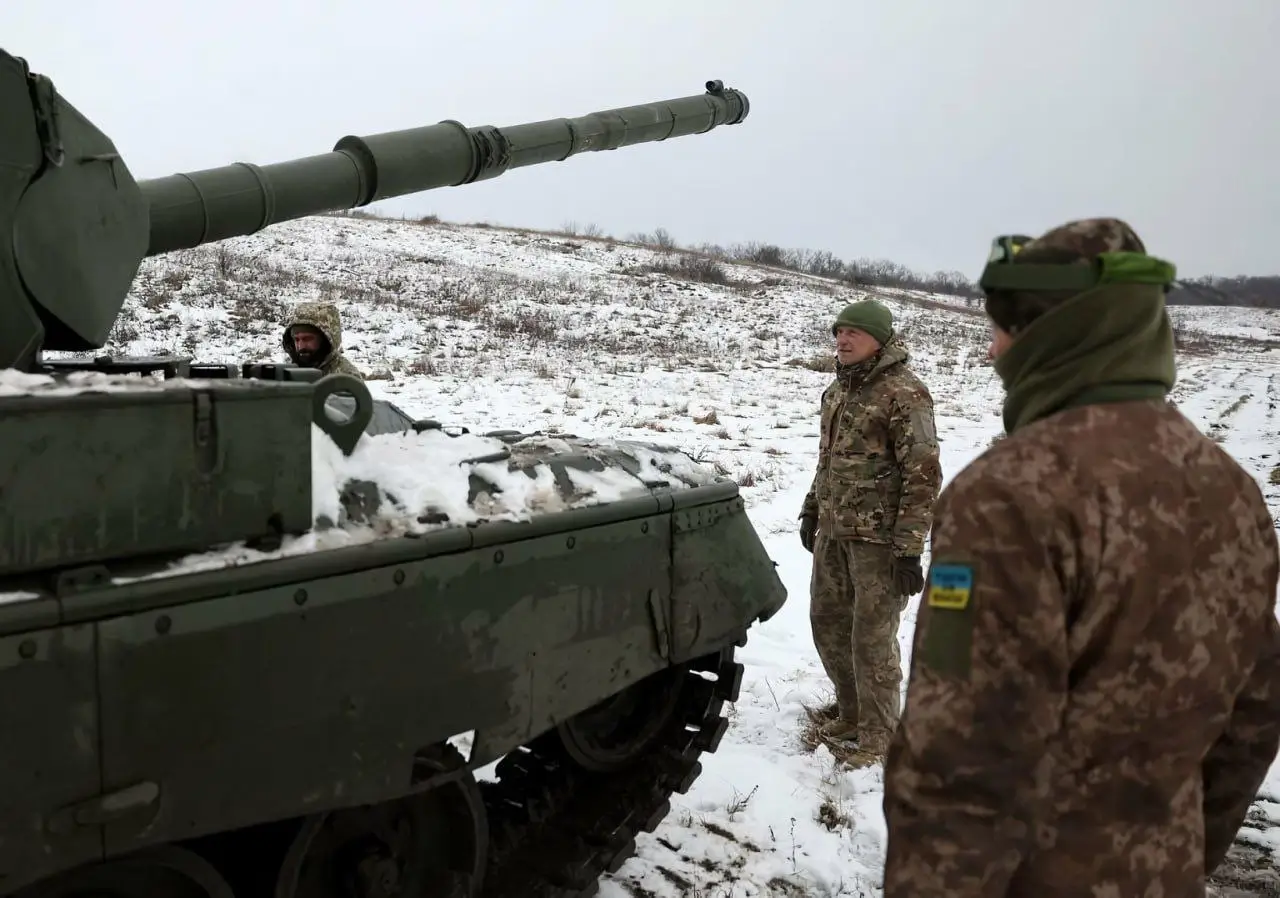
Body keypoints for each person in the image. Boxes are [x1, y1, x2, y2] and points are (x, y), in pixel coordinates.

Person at [882, 218, 1280, 897]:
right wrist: (1170, 855)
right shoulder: (1229, 488)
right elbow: (1255, 712)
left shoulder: (1008, 495)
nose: (992, 350)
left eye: (1005, 327)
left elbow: (962, 762)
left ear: (1054, 335)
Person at [797, 298, 943, 766]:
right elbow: (828, 461)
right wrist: (811, 508)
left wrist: (908, 550)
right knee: (828, 623)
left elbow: (923, 475)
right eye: (838, 332)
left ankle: (879, 736)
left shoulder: (905, 394)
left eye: (853, 333)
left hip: (879, 542)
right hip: (834, 532)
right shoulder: (836, 393)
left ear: (879, 338)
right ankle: (851, 711)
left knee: (872, 639)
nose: (841, 340)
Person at [282, 300, 365, 379]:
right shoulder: (288, 372)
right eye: (296, 340)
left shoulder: (346, 377)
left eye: (307, 339)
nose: (300, 346)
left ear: (325, 339)